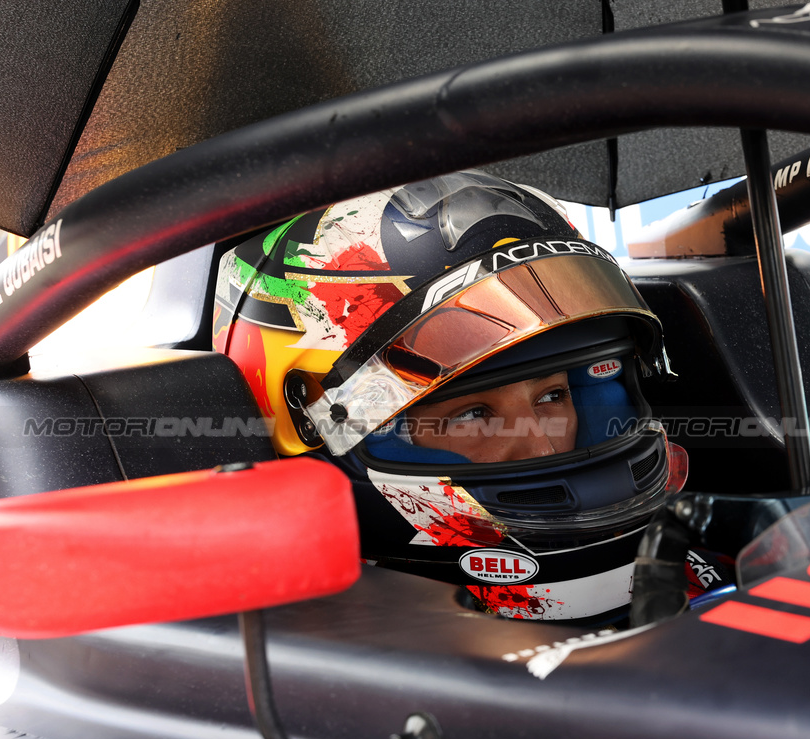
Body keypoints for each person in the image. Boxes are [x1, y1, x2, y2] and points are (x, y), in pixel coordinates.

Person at [216, 170, 731, 623]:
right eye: (475, 413)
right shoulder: (319, 666)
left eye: (553, 396)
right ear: (310, 420)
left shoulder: (727, 570)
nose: (544, 448)